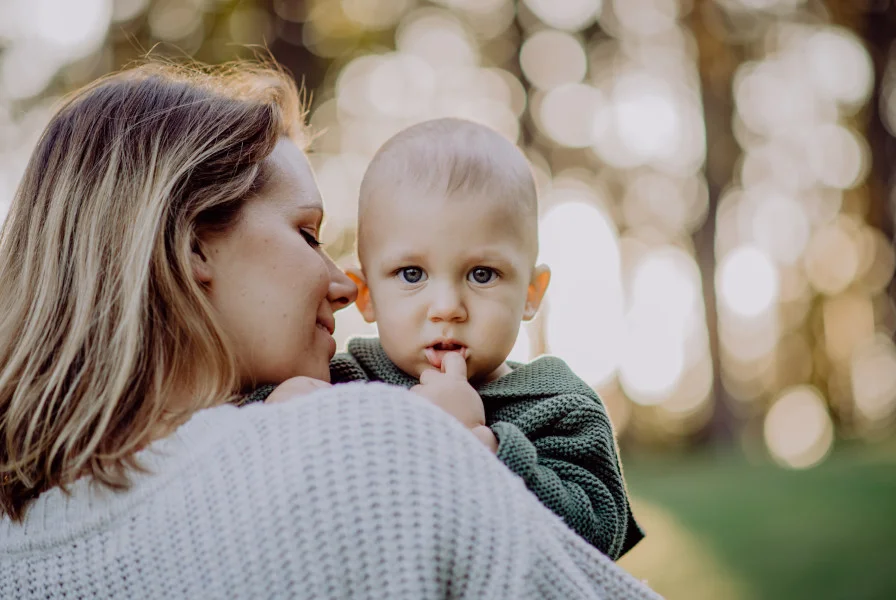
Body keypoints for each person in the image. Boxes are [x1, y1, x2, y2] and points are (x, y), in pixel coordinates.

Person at [0, 61, 660, 599]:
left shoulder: (22, 537)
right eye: (308, 234)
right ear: (192, 247)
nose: (345, 287)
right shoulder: (364, 444)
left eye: (482, 274)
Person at [245, 118, 645, 560]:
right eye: (411, 274)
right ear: (367, 295)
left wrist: (481, 445)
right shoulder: (343, 384)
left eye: (482, 274)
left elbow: (599, 532)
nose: (447, 306)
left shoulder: (559, 405)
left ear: (531, 294)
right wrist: (277, 411)